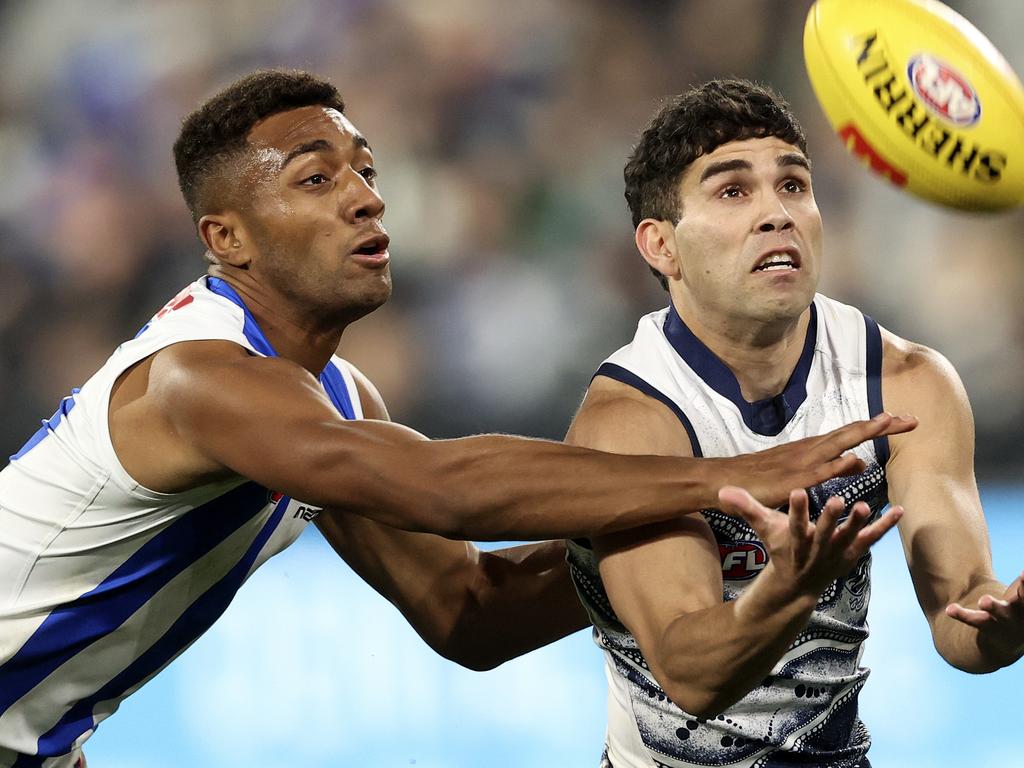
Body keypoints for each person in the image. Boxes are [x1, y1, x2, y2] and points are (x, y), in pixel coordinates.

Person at [0, 70, 912, 768]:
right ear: (226, 238)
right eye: (316, 180)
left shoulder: (335, 405)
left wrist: (682, 543)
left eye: (366, 170)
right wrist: (732, 473)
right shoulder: (199, 379)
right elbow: (444, 489)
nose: (367, 196)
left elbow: (467, 613)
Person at [564, 78, 1024, 768]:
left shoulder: (904, 383)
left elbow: (961, 623)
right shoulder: (631, 422)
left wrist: (1005, 625)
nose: (777, 214)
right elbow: (690, 674)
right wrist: (792, 582)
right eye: (732, 192)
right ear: (661, 246)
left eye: (794, 185)